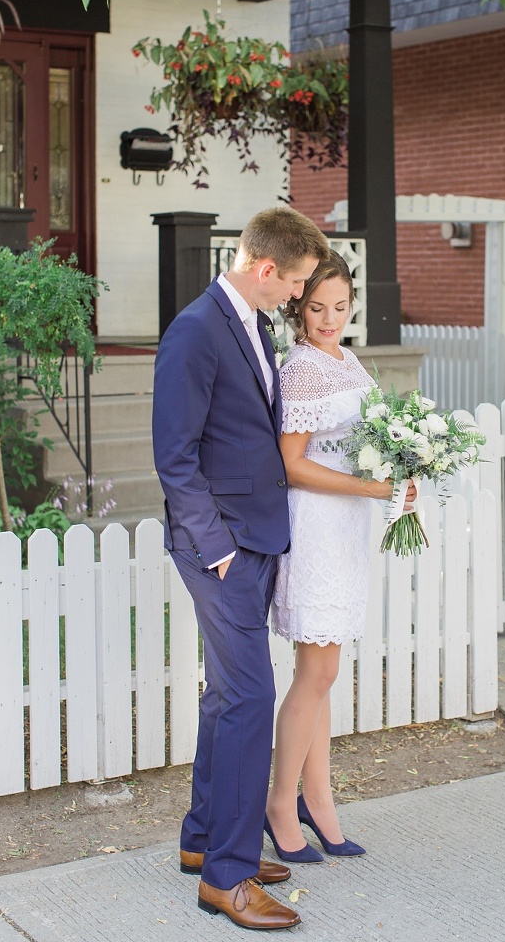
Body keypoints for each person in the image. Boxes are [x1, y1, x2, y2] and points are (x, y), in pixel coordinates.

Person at [152, 207, 329, 930]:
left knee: (227, 699)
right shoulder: (195, 330)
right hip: (217, 548)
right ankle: (227, 878)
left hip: (256, 540)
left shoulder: (251, 324)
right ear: (263, 270)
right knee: (252, 699)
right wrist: (219, 548)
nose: (295, 297)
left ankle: (202, 843)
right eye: (292, 283)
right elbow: (174, 457)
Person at [266, 251, 416, 861]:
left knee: (324, 676)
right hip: (318, 528)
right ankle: (280, 801)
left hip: (348, 527)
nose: (329, 319)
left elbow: (365, 441)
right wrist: (369, 487)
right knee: (316, 672)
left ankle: (319, 798)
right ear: (298, 307)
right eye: (317, 307)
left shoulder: (348, 360)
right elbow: (293, 463)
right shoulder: (301, 368)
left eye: (340, 306)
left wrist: (405, 466)